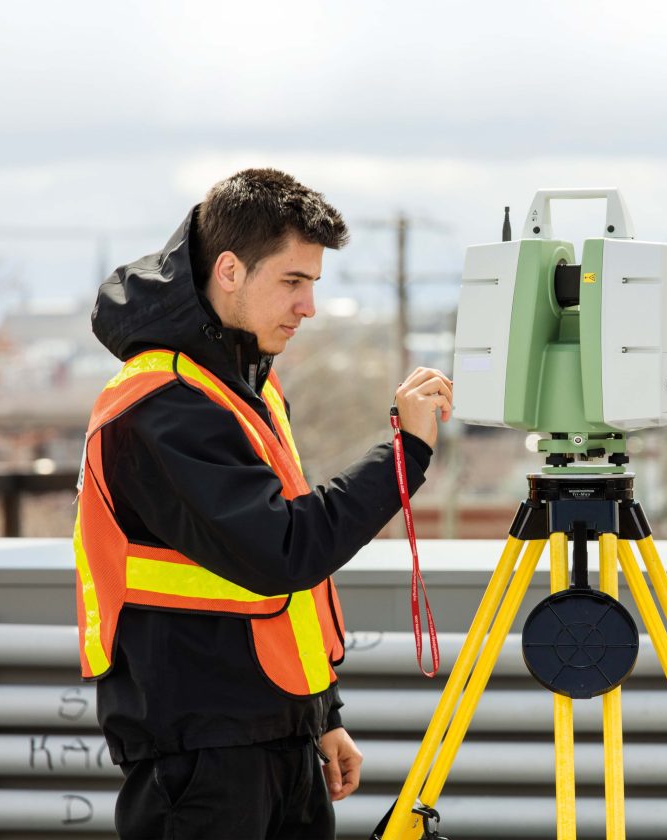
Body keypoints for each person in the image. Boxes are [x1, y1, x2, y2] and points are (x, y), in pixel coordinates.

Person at [73, 168, 452, 839]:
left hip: (271, 737)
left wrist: (317, 716)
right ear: (228, 269)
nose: (308, 306)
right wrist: (406, 456)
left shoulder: (239, 386)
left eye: (313, 284)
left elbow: (274, 597)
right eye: (292, 281)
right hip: (201, 757)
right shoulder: (161, 404)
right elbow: (285, 550)